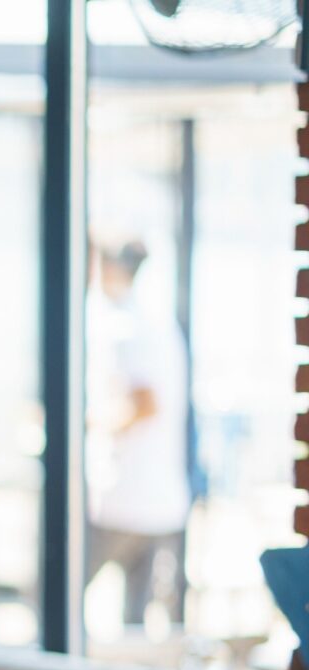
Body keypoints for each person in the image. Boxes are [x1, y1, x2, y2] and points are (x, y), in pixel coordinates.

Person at [84, 237, 190, 628]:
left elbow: (145, 405)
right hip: (157, 498)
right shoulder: (156, 322)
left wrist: (84, 423)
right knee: (136, 625)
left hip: (123, 497)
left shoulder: (125, 326)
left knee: (53, 600)